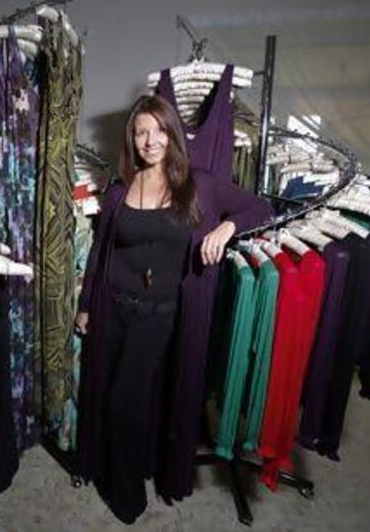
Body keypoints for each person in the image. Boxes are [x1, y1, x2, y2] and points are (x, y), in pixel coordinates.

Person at [75, 95, 272, 523]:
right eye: (140, 132)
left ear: (171, 135)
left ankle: (127, 497)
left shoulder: (197, 184)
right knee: (114, 395)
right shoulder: (119, 191)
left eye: (157, 130)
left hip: (157, 313)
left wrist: (227, 224)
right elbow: (98, 254)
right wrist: (87, 305)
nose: (149, 140)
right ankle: (123, 466)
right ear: (132, 138)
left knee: (123, 402)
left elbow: (262, 208)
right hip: (113, 309)